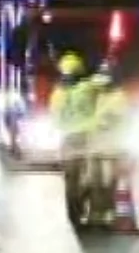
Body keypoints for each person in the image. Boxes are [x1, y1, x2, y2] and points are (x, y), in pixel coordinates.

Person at [48, 51, 100, 226]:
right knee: (90, 178)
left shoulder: (58, 93)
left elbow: (54, 115)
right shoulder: (90, 87)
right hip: (87, 139)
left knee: (71, 181)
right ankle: (83, 207)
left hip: (68, 140)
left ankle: (74, 215)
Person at [83, 61, 131, 225]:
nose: (101, 81)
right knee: (94, 183)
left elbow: (118, 118)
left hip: (111, 149)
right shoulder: (99, 94)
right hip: (95, 147)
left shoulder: (118, 97)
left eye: (105, 76)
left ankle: (108, 212)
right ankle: (95, 213)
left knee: (108, 182)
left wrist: (104, 121)